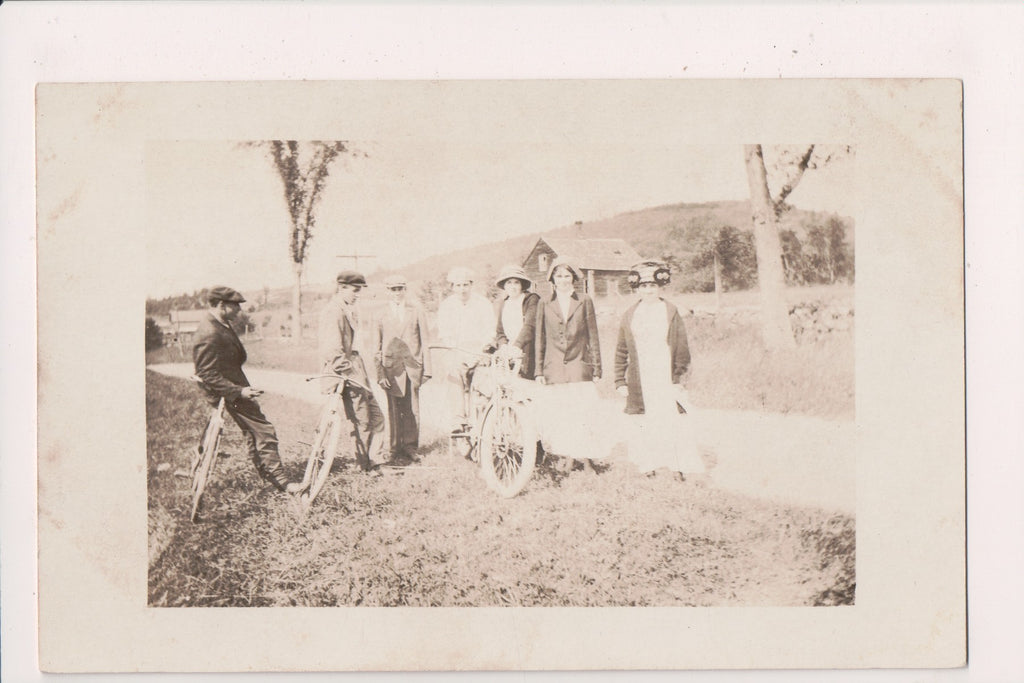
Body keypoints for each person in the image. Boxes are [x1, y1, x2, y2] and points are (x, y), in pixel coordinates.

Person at [192, 286, 301, 493]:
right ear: (222, 306)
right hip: (226, 390)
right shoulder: (210, 331)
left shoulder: (220, 323)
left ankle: (266, 472)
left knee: (252, 431)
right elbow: (206, 373)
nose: (239, 311)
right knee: (263, 429)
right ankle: (281, 481)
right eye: (236, 307)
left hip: (232, 386)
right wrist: (239, 392)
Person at [614, 261, 703, 478]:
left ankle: (677, 466)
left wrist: (678, 378)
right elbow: (621, 349)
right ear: (637, 288)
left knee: (670, 419)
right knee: (643, 422)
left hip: (664, 372)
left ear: (660, 286)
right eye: (644, 286)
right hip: (640, 375)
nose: (648, 290)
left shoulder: (670, 312)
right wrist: (619, 380)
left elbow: (682, 347)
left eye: (653, 285)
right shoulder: (630, 315)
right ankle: (648, 465)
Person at [532, 257, 604, 469]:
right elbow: (540, 339)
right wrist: (538, 371)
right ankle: (567, 458)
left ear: (573, 278)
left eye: (567, 276)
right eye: (559, 276)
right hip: (554, 367)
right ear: (553, 279)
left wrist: (597, 366)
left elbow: (593, 335)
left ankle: (587, 459)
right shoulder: (545, 303)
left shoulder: (584, 300)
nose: (563, 280)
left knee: (583, 412)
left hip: (578, 364)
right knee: (561, 414)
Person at [318, 270, 386, 472]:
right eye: (355, 291)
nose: (358, 295)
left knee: (376, 416)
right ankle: (363, 465)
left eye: (360, 291)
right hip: (345, 373)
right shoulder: (334, 311)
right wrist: (350, 374)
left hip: (357, 368)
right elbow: (332, 350)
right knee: (361, 419)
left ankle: (374, 459)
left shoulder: (347, 309)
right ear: (342, 288)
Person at [372, 274, 432, 461]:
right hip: (391, 369)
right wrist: (380, 373)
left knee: (413, 408)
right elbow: (376, 348)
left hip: (412, 367)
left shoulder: (416, 311)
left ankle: (411, 447)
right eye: (393, 289)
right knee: (393, 409)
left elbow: (425, 341)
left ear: (405, 290)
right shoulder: (379, 315)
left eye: (400, 288)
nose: (397, 293)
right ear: (387, 291)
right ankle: (392, 448)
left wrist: (427, 370)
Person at [436, 266, 496, 427]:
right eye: (458, 285)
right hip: (457, 351)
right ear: (452, 287)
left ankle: (482, 423)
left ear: (471, 285)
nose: (462, 289)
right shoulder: (447, 305)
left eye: (465, 285)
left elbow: (490, 329)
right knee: (454, 375)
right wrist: (452, 346)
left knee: (482, 384)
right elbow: (444, 332)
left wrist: (482, 349)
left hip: (479, 351)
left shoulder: (482, 303)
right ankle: (458, 419)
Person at [493, 264, 540, 379]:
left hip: (528, 352)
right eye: (509, 282)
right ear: (504, 285)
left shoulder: (531, 299)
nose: (513, 286)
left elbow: (530, 326)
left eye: (516, 282)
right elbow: (500, 332)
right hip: (509, 354)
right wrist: (503, 346)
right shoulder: (503, 303)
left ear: (522, 284)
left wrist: (517, 346)